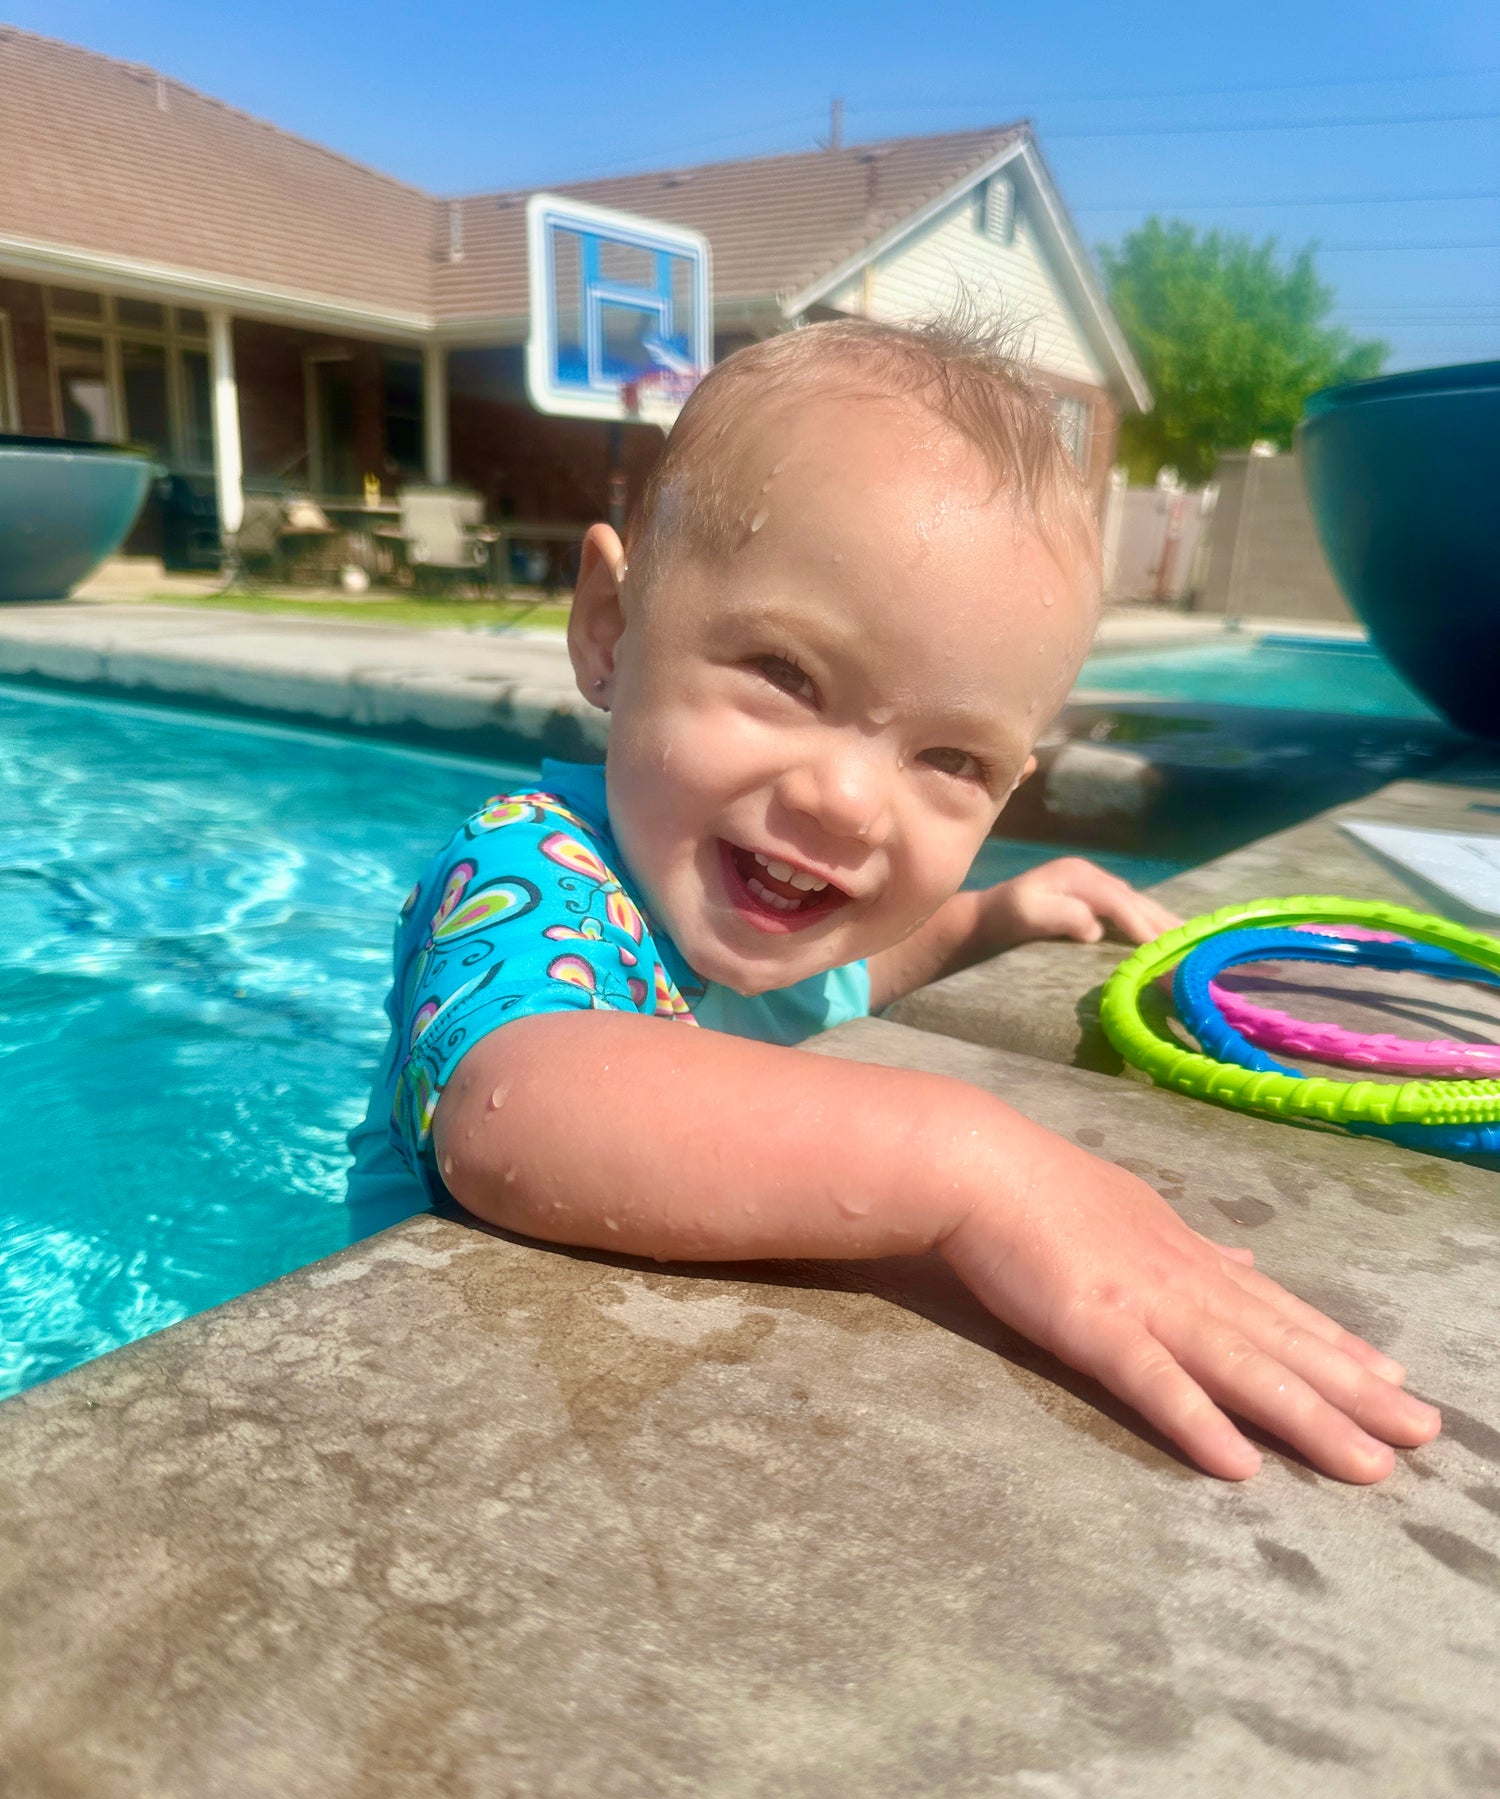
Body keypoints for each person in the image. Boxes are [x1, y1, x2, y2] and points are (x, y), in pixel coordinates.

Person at [347, 317, 1439, 1484]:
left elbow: (850, 979)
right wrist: (980, 1170)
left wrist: (993, 918)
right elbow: (521, 1110)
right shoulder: (529, 869)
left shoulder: (757, 901)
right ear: (610, 628)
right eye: (785, 673)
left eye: (953, 761)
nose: (856, 804)